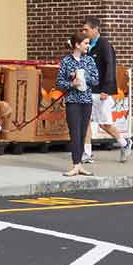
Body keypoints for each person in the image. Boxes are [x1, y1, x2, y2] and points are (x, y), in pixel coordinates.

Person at [81, 18, 133, 158]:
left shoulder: (105, 45)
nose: (84, 32)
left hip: (101, 92)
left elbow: (110, 67)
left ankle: (124, 143)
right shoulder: (87, 46)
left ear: (96, 29)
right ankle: (87, 153)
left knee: (104, 124)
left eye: (86, 30)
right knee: (85, 121)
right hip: (88, 90)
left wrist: (106, 89)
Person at [58, 36, 101, 176]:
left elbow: (96, 80)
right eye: (86, 43)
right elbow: (59, 82)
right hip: (72, 101)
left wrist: (83, 77)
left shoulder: (89, 60)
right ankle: (75, 164)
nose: (88, 46)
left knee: (82, 134)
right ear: (77, 45)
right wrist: (72, 82)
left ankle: (80, 165)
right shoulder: (66, 61)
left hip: (86, 101)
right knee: (74, 133)